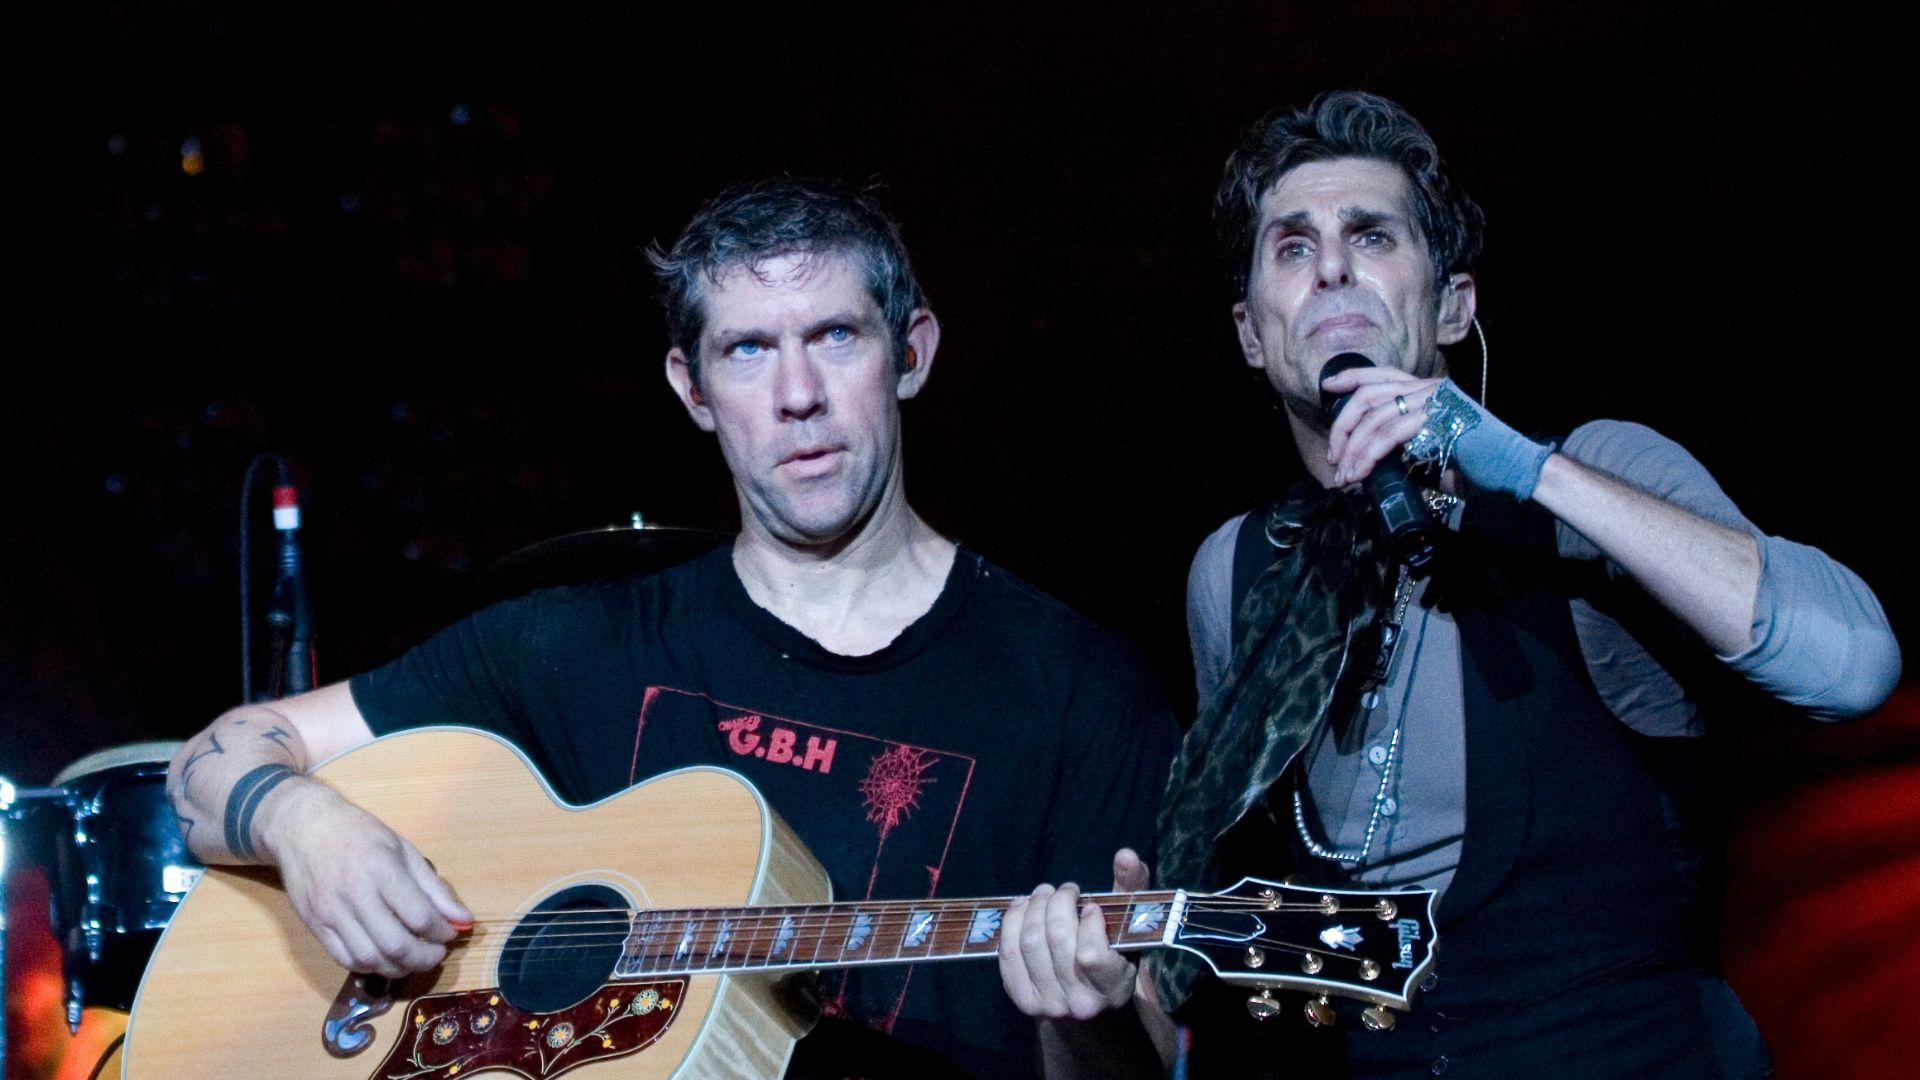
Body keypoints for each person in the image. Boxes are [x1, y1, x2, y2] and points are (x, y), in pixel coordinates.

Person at [166, 179, 1177, 1079]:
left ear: (910, 353)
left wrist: (1089, 1015)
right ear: (692, 389)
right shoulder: (575, 646)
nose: (798, 396)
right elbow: (214, 766)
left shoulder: (1078, 690)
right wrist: (305, 825)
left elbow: (1132, 1063)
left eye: (835, 336)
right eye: (748, 350)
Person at [1153, 91, 1901, 1079]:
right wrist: (1129, 960)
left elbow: (1853, 668)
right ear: (1252, 333)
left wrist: (1530, 472)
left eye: (1371, 236)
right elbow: (1257, 916)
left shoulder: (1595, 476)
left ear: (1453, 306)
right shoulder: (1239, 572)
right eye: (1293, 247)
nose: (1331, 267)